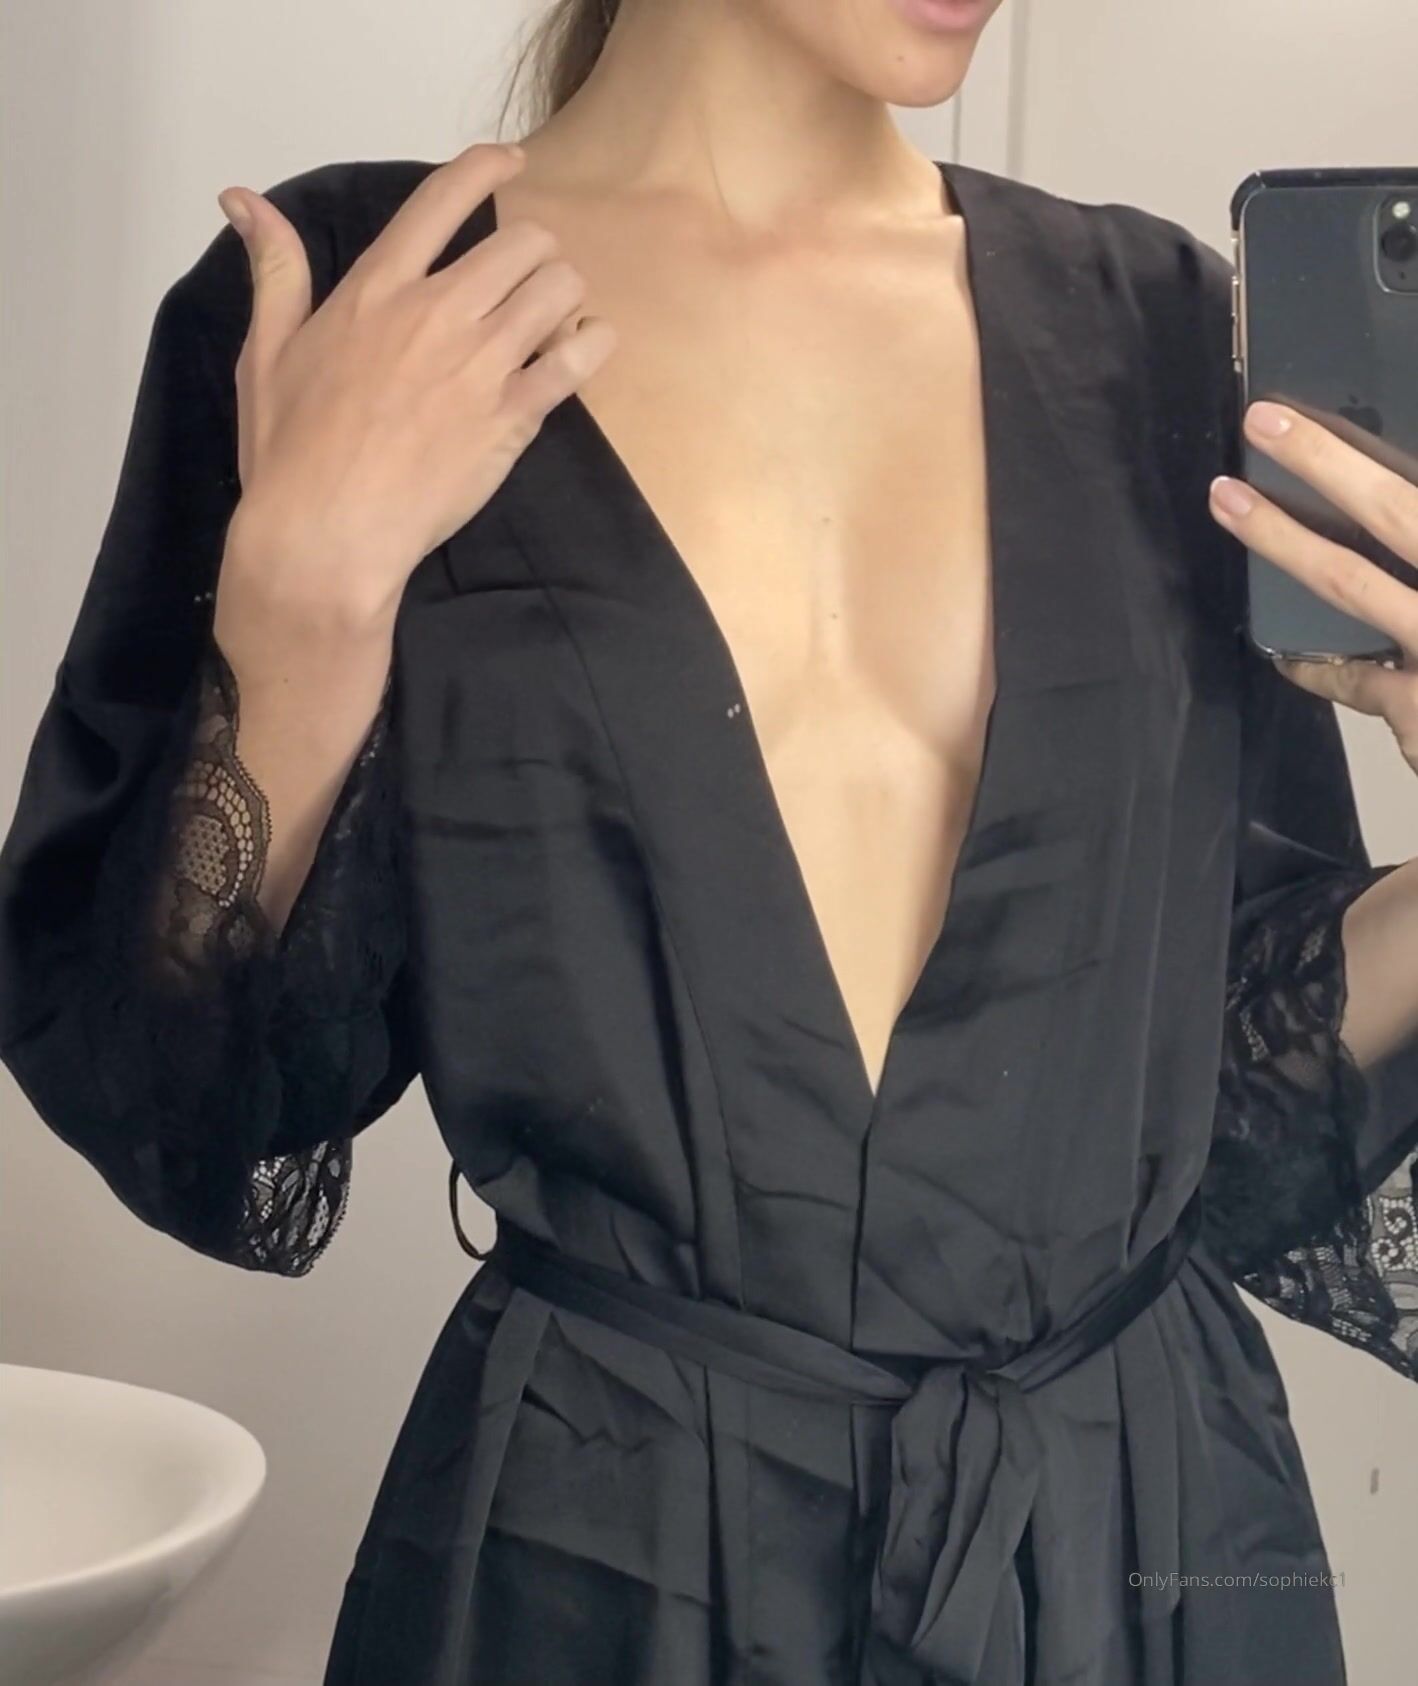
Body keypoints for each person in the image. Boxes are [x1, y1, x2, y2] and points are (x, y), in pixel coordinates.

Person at [4, 1, 1418, 1680]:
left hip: (1140, 1552)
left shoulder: (1165, 330)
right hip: (611, 1571)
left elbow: (1238, 1101)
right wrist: (299, 607)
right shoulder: (366, 307)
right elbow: (187, 1100)